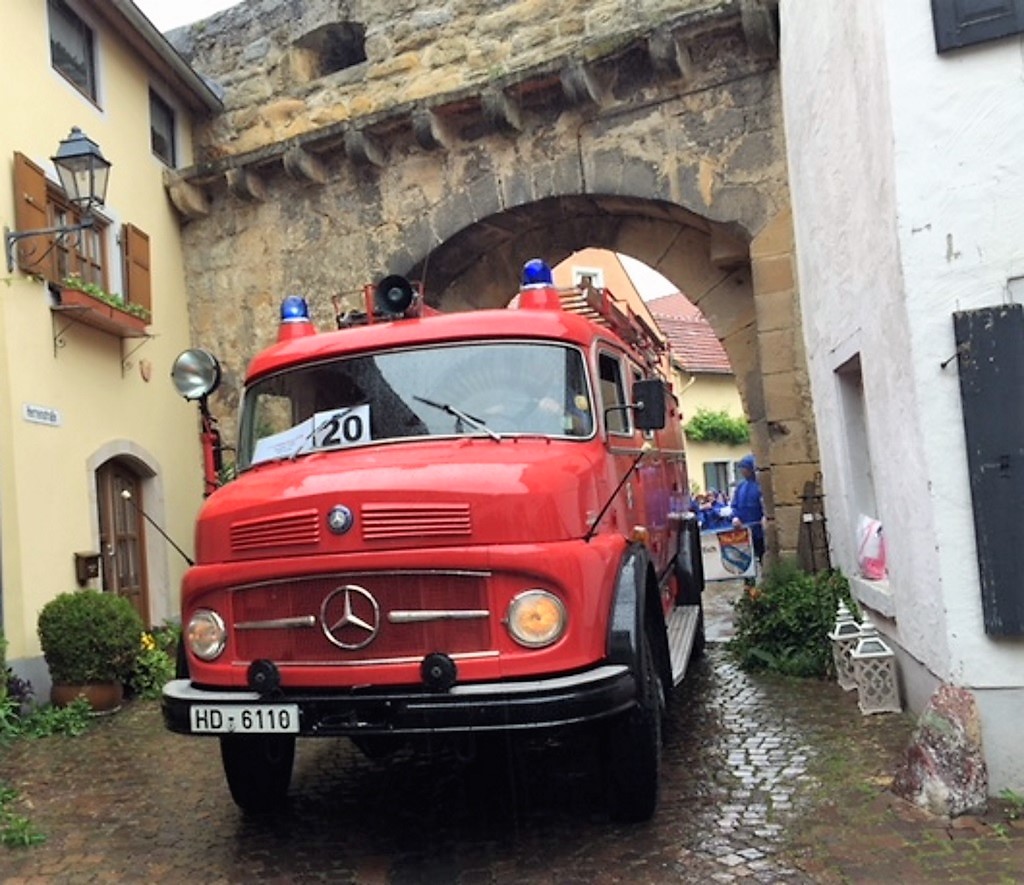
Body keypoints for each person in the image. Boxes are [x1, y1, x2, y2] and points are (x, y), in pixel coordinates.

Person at [731, 454, 765, 568]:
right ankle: (749, 584)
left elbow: (765, 505)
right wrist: (735, 518)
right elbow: (734, 505)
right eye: (741, 468)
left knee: (762, 557)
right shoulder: (740, 487)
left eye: (744, 468)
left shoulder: (760, 486)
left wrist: (764, 518)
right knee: (745, 561)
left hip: (759, 531)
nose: (742, 471)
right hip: (743, 531)